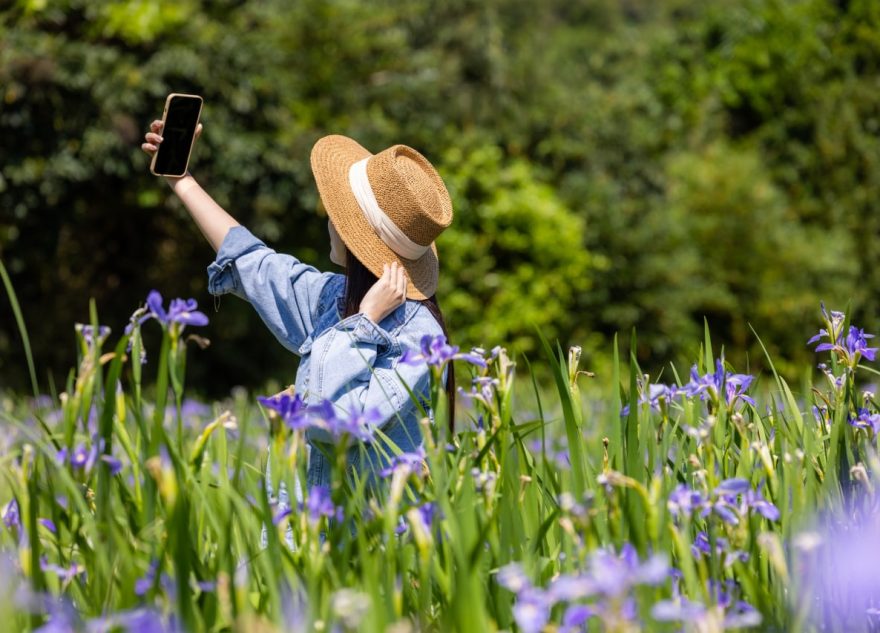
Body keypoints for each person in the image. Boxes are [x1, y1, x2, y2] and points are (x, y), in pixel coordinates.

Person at [140, 119, 457, 523]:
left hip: (366, 558)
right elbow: (255, 262)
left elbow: (334, 424)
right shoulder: (334, 298)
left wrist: (362, 326)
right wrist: (181, 180)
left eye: (336, 214)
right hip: (305, 546)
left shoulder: (417, 339)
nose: (328, 220)